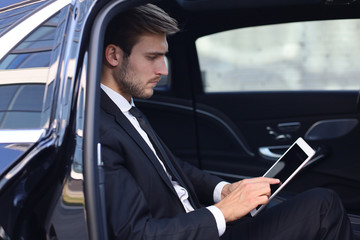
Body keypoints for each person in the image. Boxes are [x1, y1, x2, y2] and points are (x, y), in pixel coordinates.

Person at [99, 3, 354, 239]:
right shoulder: (101, 133)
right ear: (114, 55)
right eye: (152, 57)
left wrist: (224, 191)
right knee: (323, 206)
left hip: (200, 223)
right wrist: (223, 212)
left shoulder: (127, 109)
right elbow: (137, 234)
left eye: (164, 57)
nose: (163, 70)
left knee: (316, 202)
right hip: (193, 229)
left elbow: (171, 167)